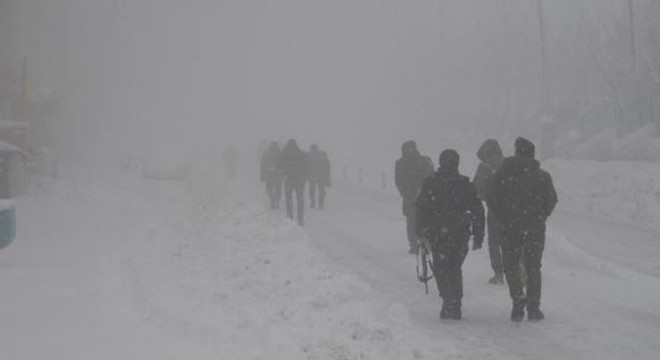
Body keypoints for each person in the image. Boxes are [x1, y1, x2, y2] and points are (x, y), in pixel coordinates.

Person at [486, 137, 557, 322]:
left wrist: (502, 216)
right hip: (534, 228)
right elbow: (551, 200)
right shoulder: (542, 176)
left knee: (511, 266)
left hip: (509, 228)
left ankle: (517, 301)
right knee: (534, 267)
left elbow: (491, 197)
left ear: (517, 153)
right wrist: (540, 216)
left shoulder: (502, 174)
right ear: (532, 154)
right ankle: (534, 307)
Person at [416, 149, 484, 320]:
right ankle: (456, 302)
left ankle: (448, 299)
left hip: (438, 233)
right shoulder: (464, 184)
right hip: (459, 233)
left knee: (441, 267)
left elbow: (421, 209)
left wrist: (421, 232)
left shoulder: (431, 183)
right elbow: (478, 210)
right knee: (454, 267)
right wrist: (478, 235)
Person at [474, 139, 505, 285]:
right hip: (495, 211)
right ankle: (501, 272)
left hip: (506, 211)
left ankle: (512, 270)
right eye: (485, 159)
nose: (488, 161)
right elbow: (476, 188)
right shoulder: (483, 168)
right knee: (496, 242)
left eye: (488, 157)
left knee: (505, 242)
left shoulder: (508, 166)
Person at [395, 140, 434, 254]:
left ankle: (420, 243)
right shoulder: (402, 163)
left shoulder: (423, 161)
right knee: (413, 221)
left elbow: (431, 176)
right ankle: (415, 244)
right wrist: (406, 192)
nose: (410, 151)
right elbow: (398, 181)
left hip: (421, 196)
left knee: (418, 221)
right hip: (413, 197)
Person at [279, 139, 309, 225]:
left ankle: (290, 217)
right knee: (300, 198)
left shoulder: (284, 154)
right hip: (299, 179)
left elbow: (280, 167)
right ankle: (300, 218)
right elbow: (307, 166)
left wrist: (283, 175)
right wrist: (304, 176)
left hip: (289, 179)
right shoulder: (302, 154)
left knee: (289, 198)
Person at [307, 144, 331, 209]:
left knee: (311, 190)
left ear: (311, 148)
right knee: (321, 190)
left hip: (311, 175)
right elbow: (327, 166)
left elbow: (305, 166)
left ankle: (312, 202)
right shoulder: (322, 154)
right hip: (321, 175)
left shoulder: (308, 155)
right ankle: (321, 203)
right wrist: (327, 177)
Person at [261, 141, 283, 209]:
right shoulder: (266, 154)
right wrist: (268, 168)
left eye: (275, 146)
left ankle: (277, 202)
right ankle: (273, 200)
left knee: (278, 189)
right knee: (269, 189)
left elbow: (283, 164)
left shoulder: (280, 154)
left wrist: (277, 169)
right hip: (269, 175)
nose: (274, 147)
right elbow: (263, 165)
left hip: (277, 175)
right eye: (273, 146)